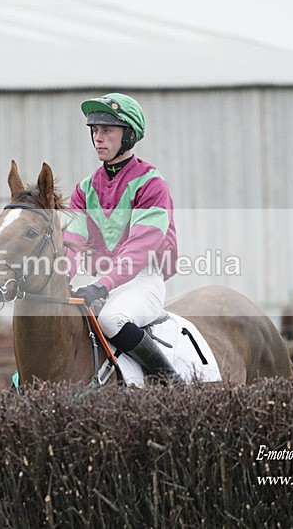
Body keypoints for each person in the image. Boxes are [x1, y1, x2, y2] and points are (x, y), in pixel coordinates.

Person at [64, 93, 180, 383]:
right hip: (100, 281)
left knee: (111, 319)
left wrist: (102, 285)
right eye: (95, 131)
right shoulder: (84, 189)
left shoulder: (151, 183)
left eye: (107, 130)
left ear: (128, 135)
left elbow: (140, 248)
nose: (98, 138)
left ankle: (170, 382)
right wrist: (60, 279)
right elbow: (72, 242)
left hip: (143, 279)